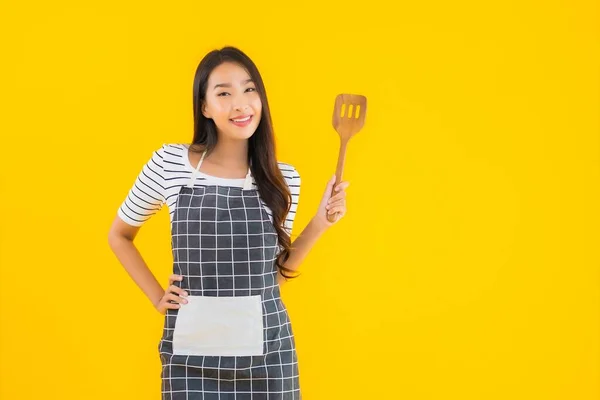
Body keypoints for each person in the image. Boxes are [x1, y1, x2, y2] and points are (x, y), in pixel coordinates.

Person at [107, 46, 349, 399]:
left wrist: (320, 221)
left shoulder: (283, 179)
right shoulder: (170, 163)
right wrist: (157, 296)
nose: (240, 104)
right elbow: (119, 235)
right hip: (190, 357)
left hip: (268, 356)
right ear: (204, 107)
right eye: (224, 93)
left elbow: (275, 273)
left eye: (249, 90)